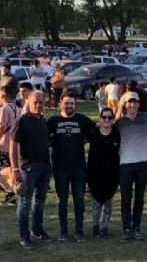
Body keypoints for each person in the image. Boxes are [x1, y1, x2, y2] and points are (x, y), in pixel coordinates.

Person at [47, 89, 96, 243]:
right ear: (61, 103)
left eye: (72, 104)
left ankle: (79, 231)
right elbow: (45, 139)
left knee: (79, 200)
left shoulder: (82, 120)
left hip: (79, 167)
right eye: (67, 103)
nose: (69, 106)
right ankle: (63, 231)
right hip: (60, 167)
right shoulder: (53, 121)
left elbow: (96, 132)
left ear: (75, 105)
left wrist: (84, 141)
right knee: (62, 200)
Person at [9, 91, 53, 250]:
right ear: (28, 102)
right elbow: (12, 146)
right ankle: (24, 236)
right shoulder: (21, 121)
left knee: (40, 201)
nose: (39, 105)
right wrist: (15, 169)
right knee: (24, 203)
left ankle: (37, 230)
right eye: (35, 102)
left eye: (41, 102)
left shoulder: (42, 120)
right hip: (28, 168)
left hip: (44, 167)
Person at [114, 92, 147, 242]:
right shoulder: (119, 122)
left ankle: (136, 227)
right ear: (125, 104)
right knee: (126, 198)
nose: (133, 105)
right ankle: (126, 229)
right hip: (125, 164)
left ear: (139, 104)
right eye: (130, 102)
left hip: (143, 163)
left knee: (139, 198)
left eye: (135, 102)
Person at [87, 105, 120, 238]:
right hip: (95, 173)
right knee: (97, 201)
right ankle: (95, 226)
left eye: (109, 117)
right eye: (104, 117)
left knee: (108, 202)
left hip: (111, 173)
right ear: (100, 119)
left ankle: (105, 227)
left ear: (113, 119)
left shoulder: (117, 134)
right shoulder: (92, 133)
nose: (107, 119)